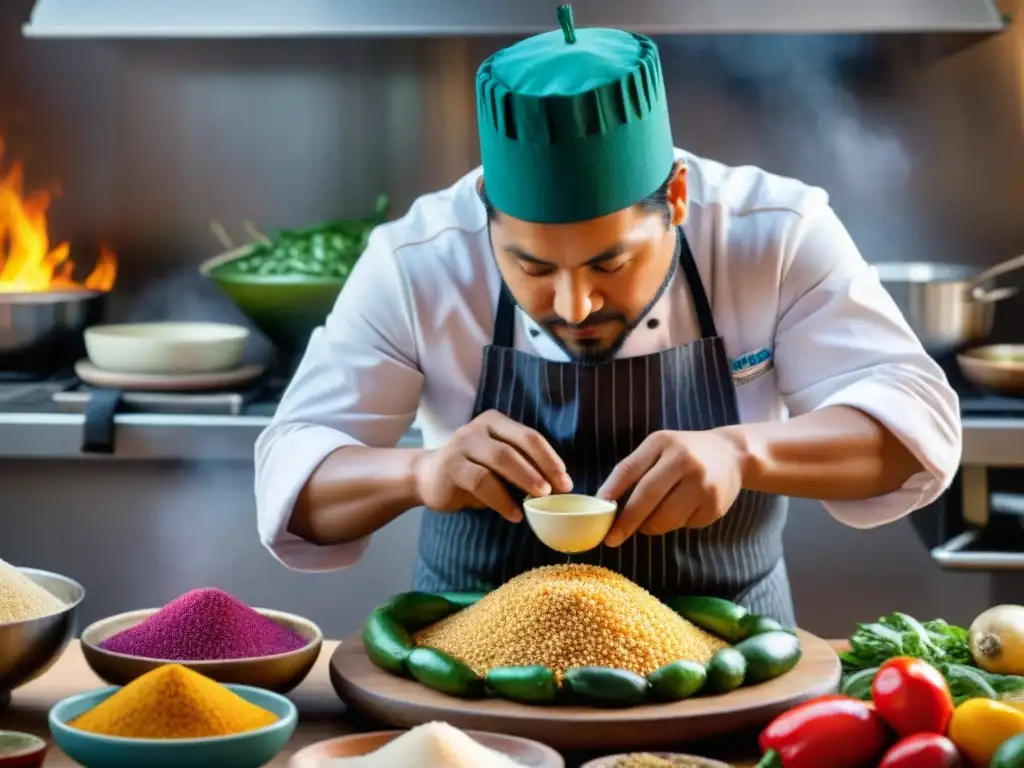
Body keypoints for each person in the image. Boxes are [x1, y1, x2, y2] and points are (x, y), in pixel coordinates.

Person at [254, 6, 961, 625]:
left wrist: (743, 451)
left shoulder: (774, 231)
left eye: (610, 264)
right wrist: (420, 471)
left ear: (676, 198)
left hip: (730, 669)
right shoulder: (419, 259)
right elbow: (291, 479)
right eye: (531, 268)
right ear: (484, 212)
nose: (574, 306)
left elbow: (915, 426)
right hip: (478, 683)